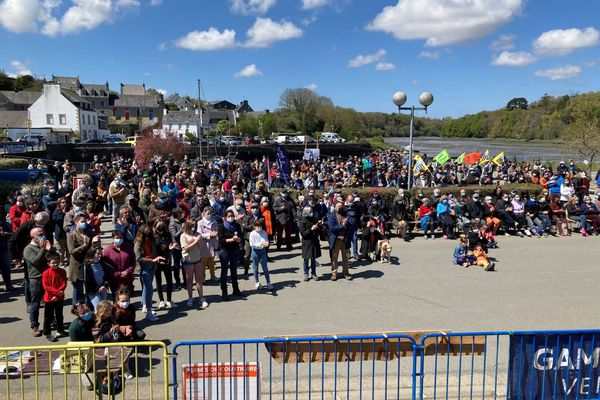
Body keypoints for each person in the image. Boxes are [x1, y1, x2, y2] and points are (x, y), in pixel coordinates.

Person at [23, 227, 52, 337]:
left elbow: (53, 259)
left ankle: (49, 322)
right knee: (35, 304)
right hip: (36, 279)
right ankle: (34, 326)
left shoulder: (45, 245)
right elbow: (36, 262)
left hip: (48, 278)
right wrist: (43, 249)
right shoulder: (28, 249)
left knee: (50, 302)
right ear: (33, 237)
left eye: (43, 233)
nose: (42, 235)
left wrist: (50, 250)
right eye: (39, 234)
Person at [67, 213, 95, 310]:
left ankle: (86, 306)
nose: (84, 224)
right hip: (77, 266)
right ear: (76, 222)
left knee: (87, 287)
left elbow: (91, 247)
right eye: (82, 222)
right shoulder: (72, 234)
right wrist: (84, 245)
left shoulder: (88, 232)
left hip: (87, 264)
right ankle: (76, 308)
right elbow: (72, 251)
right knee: (77, 289)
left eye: (85, 221)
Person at [180, 220, 209, 309]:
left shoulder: (197, 234)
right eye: (192, 226)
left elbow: (201, 247)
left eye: (194, 225)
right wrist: (195, 242)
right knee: (189, 280)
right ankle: (190, 298)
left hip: (197, 259)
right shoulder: (183, 236)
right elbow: (186, 249)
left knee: (199, 280)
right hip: (188, 260)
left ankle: (201, 298)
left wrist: (198, 241)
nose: (194, 227)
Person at [134, 225, 161, 321]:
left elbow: (155, 252)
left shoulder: (152, 240)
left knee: (146, 288)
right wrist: (152, 260)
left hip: (152, 266)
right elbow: (138, 258)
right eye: (146, 231)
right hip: (144, 267)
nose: (148, 232)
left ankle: (144, 305)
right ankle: (149, 312)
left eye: (149, 231)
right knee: (149, 289)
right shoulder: (138, 243)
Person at [218, 210, 245, 300]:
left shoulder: (236, 225)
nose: (231, 217)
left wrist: (239, 240)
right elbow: (221, 240)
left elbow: (241, 236)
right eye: (229, 216)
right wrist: (232, 239)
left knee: (234, 271)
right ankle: (224, 292)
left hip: (234, 250)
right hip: (225, 251)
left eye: (232, 216)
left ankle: (236, 290)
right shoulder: (221, 226)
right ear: (225, 217)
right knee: (224, 272)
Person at [41, 252, 68, 342]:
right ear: (49, 264)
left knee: (59, 315)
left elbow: (64, 282)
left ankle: (60, 330)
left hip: (59, 297)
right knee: (48, 317)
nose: (55, 264)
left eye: (57, 262)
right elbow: (46, 287)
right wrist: (56, 293)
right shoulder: (45, 273)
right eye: (53, 263)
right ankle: (47, 332)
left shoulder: (62, 271)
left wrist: (59, 293)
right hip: (49, 298)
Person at [153, 220, 176, 309]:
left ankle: (169, 300)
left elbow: (169, 246)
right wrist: (158, 259)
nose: (160, 227)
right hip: (157, 260)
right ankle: (161, 300)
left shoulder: (167, 234)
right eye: (158, 226)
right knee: (159, 281)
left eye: (162, 225)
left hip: (166, 260)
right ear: (155, 226)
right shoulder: (154, 236)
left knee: (169, 280)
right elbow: (154, 249)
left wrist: (169, 249)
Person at [327, 202, 353, 281]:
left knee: (345, 258)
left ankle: (345, 273)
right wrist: (343, 225)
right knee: (334, 257)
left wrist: (347, 224)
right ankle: (334, 273)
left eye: (341, 206)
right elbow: (332, 228)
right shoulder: (331, 215)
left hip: (345, 239)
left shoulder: (346, 215)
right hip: (336, 239)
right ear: (334, 207)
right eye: (338, 206)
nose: (340, 208)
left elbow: (350, 226)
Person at [249, 220, 274, 290]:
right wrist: (261, 244)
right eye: (257, 226)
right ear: (254, 226)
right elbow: (252, 244)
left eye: (260, 226)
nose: (259, 228)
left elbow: (266, 241)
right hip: (255, 251)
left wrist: (267, 244)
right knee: (255, 268)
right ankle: (257, 282)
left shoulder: (264, 232)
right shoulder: (252, 233)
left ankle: (268, 283)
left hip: (262, 251)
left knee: (265, 268)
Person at [299, 206, 322, 281]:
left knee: (313, 259)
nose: (312, 213)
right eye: (310, 211)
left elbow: (318, 230)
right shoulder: (303, 221)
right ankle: (306, 274)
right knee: (306, 260)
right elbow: (303, 233)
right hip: (306, 242)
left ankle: (313, 273)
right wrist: (311, 229)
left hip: (314, 241)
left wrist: (319, 225)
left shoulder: (314, 219)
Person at [197, 207, 219, 283]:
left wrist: (215, 233)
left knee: (211, 262)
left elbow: (216, 231)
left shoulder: (214, 222)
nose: (209, 215)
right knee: (203, 263)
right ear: (203, 213)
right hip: (204, 245)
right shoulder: (200, 223)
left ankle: (213, 275)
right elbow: (199, 234)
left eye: (211, 213)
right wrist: (209, 234)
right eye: (208, 213)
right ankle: (202, 277)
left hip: (212, 243)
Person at [168, 208, 186, 290]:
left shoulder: (182, 220)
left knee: (185, 265)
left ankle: (185, 281)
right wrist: (181, 229)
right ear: (176, 214)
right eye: (180, 213)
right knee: (176, 266)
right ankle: (178, 283)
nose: (181, 214)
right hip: (176, 247)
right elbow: (174, 235)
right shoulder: (172, 224)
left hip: (184, 245)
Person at [0, 221, 15, 291]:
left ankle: (8, 285)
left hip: (4, 250)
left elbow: (13, 235)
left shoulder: (5, 224)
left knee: (6, 268)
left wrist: (5, 234)